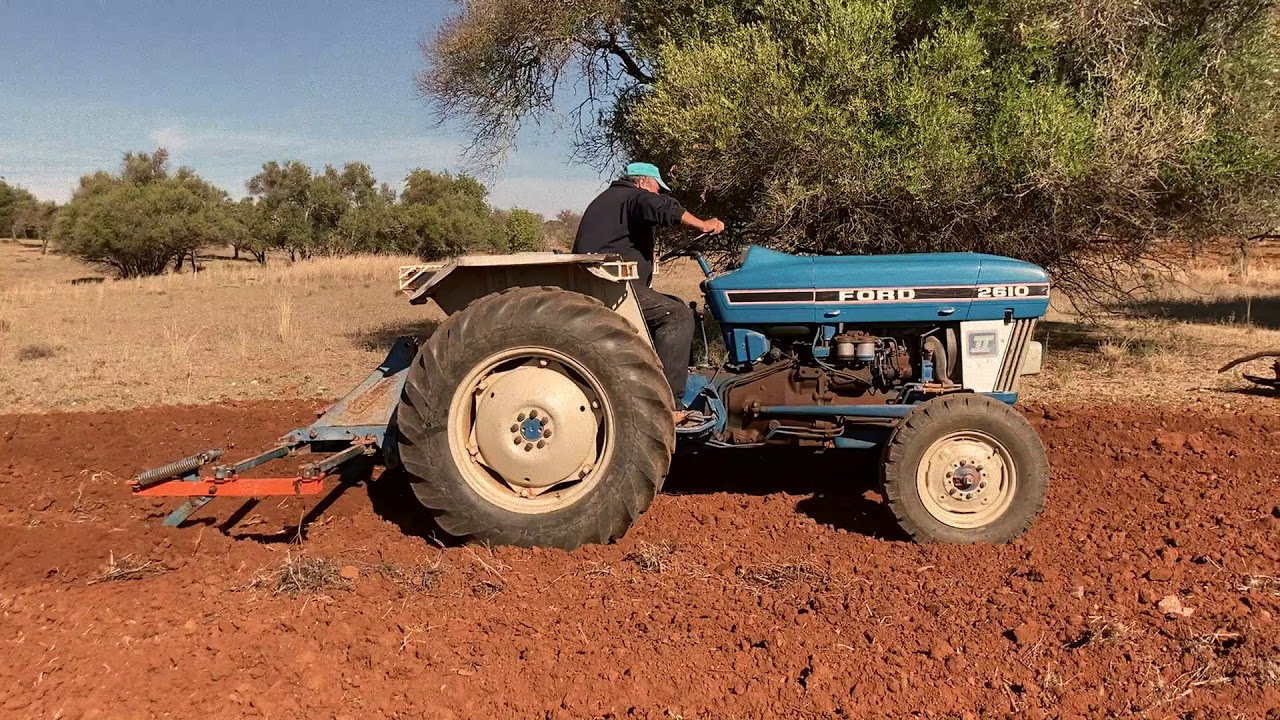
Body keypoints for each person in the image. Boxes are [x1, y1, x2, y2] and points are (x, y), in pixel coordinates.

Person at [573, 162, 725, 422]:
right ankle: (669, 405)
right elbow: (660, 206)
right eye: (657, 188)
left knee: (674, 303)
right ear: (643, 182)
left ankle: (660, 378)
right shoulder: (631, 196)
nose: (659, 193)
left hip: (606, 283)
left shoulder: (614, 200)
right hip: (609, 287)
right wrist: (701, 224)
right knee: (676, 315)